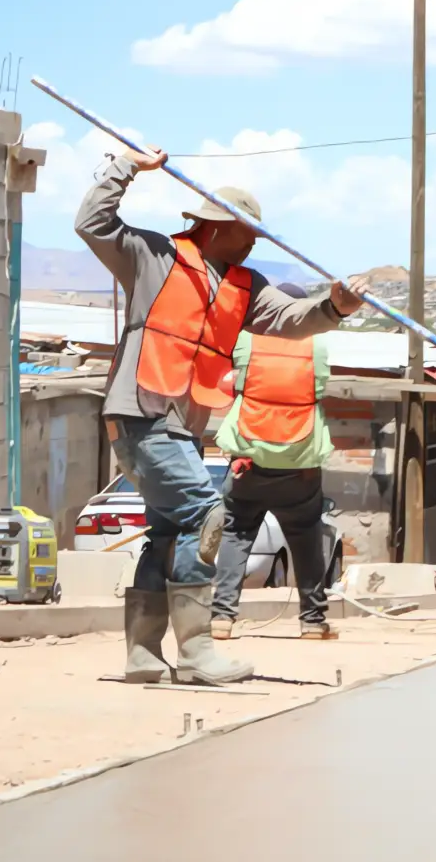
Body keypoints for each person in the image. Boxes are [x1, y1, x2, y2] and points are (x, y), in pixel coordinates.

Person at [77, 145, 369, 686]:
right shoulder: (153, 256)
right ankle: (197, 652)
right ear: (216, 226)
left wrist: (335, 307)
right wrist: (127, 168)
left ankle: (143, 655)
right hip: (141, 413)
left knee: (167, 534)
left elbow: (291, 318)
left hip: (182, 426)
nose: (254, 241)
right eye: (247, 231)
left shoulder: (245, 285)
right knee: (208, 516)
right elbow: (92, 223)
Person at [208, 284, 338, 642]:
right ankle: (312, 621)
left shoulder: (246, 340)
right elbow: (319, 389)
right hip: (300, 462)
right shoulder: (316, 345)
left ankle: (222, 617)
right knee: (306, 537)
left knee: (236, 533)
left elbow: (229, 382)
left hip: (249, 459)